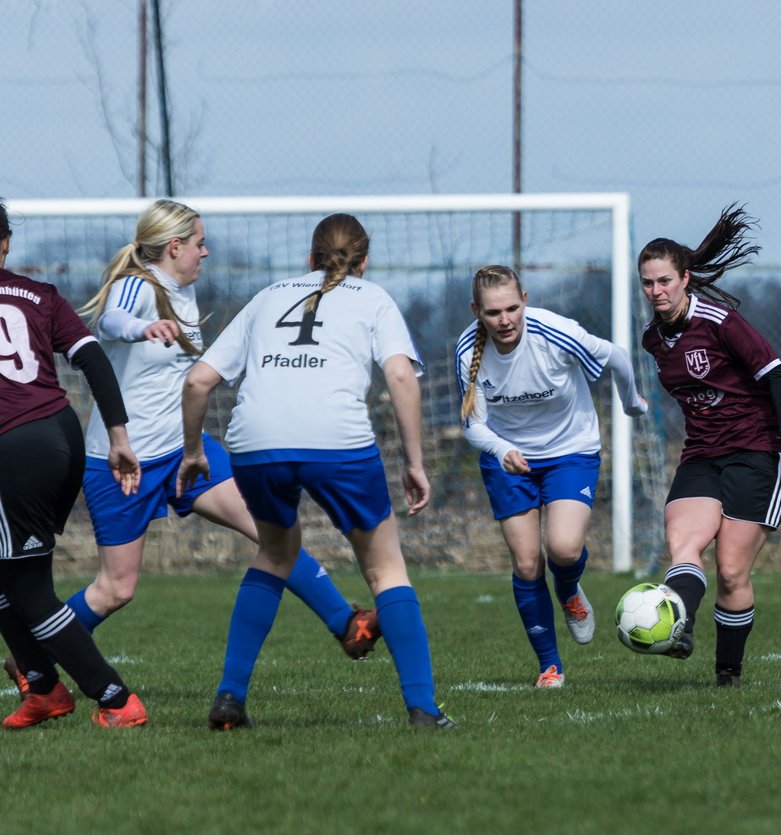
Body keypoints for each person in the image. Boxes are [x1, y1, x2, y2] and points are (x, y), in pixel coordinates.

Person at [2, 199, 380, 701]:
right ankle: (32, 658)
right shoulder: (140, 284)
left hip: (187, 453)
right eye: (199, 242)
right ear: (174, 247)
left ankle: (346, 623)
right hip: (123, 462)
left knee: (274, 532)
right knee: (116, 589)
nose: (206, 251)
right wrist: (144, 327)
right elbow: (111, 321)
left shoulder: (185, 291)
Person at [178, 212, 455, 730]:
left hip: (254, 442)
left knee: (274, 555)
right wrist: (415, 462)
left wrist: (194, 452)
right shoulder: (372, 298)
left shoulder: (267, 296)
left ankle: (229, 699)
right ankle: (422, 710)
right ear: (365, 262)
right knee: (385, 569)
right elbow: (399, 374)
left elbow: (197, 382)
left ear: (309, 257)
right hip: (338, 441)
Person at [637, 204, 781, 688]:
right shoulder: (654, 339)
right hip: (702, 455)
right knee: (683, 545)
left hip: (758, 451)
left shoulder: (720, 321)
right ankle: (680, 626)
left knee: (732, 570)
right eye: (648, 283)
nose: (656, 291)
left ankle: (728, 674)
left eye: (665, 281)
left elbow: (774, 374)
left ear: (685, 279)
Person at [454, 265, 647, 688]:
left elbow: (616, 356)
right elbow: (473, 425)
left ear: (524, 298)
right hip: (507, 459)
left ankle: (569, 591)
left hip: (569, 452)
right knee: (526, 564)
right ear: (476, 311)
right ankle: (550, 666)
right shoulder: (468, 350)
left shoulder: (554, 332)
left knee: (562, 549)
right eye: (492, 313)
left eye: (511, 308)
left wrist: (631, 403)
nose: (504, 320)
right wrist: (502, 450)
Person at [0, 198, 147, 728]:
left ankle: (115, 698)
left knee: (28, 588)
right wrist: (119, 437)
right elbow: (92, 360)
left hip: (13, 444)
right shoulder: (40, 294)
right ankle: (43, 689)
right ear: (6, 243)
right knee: (11, 575)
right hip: (61, 435)